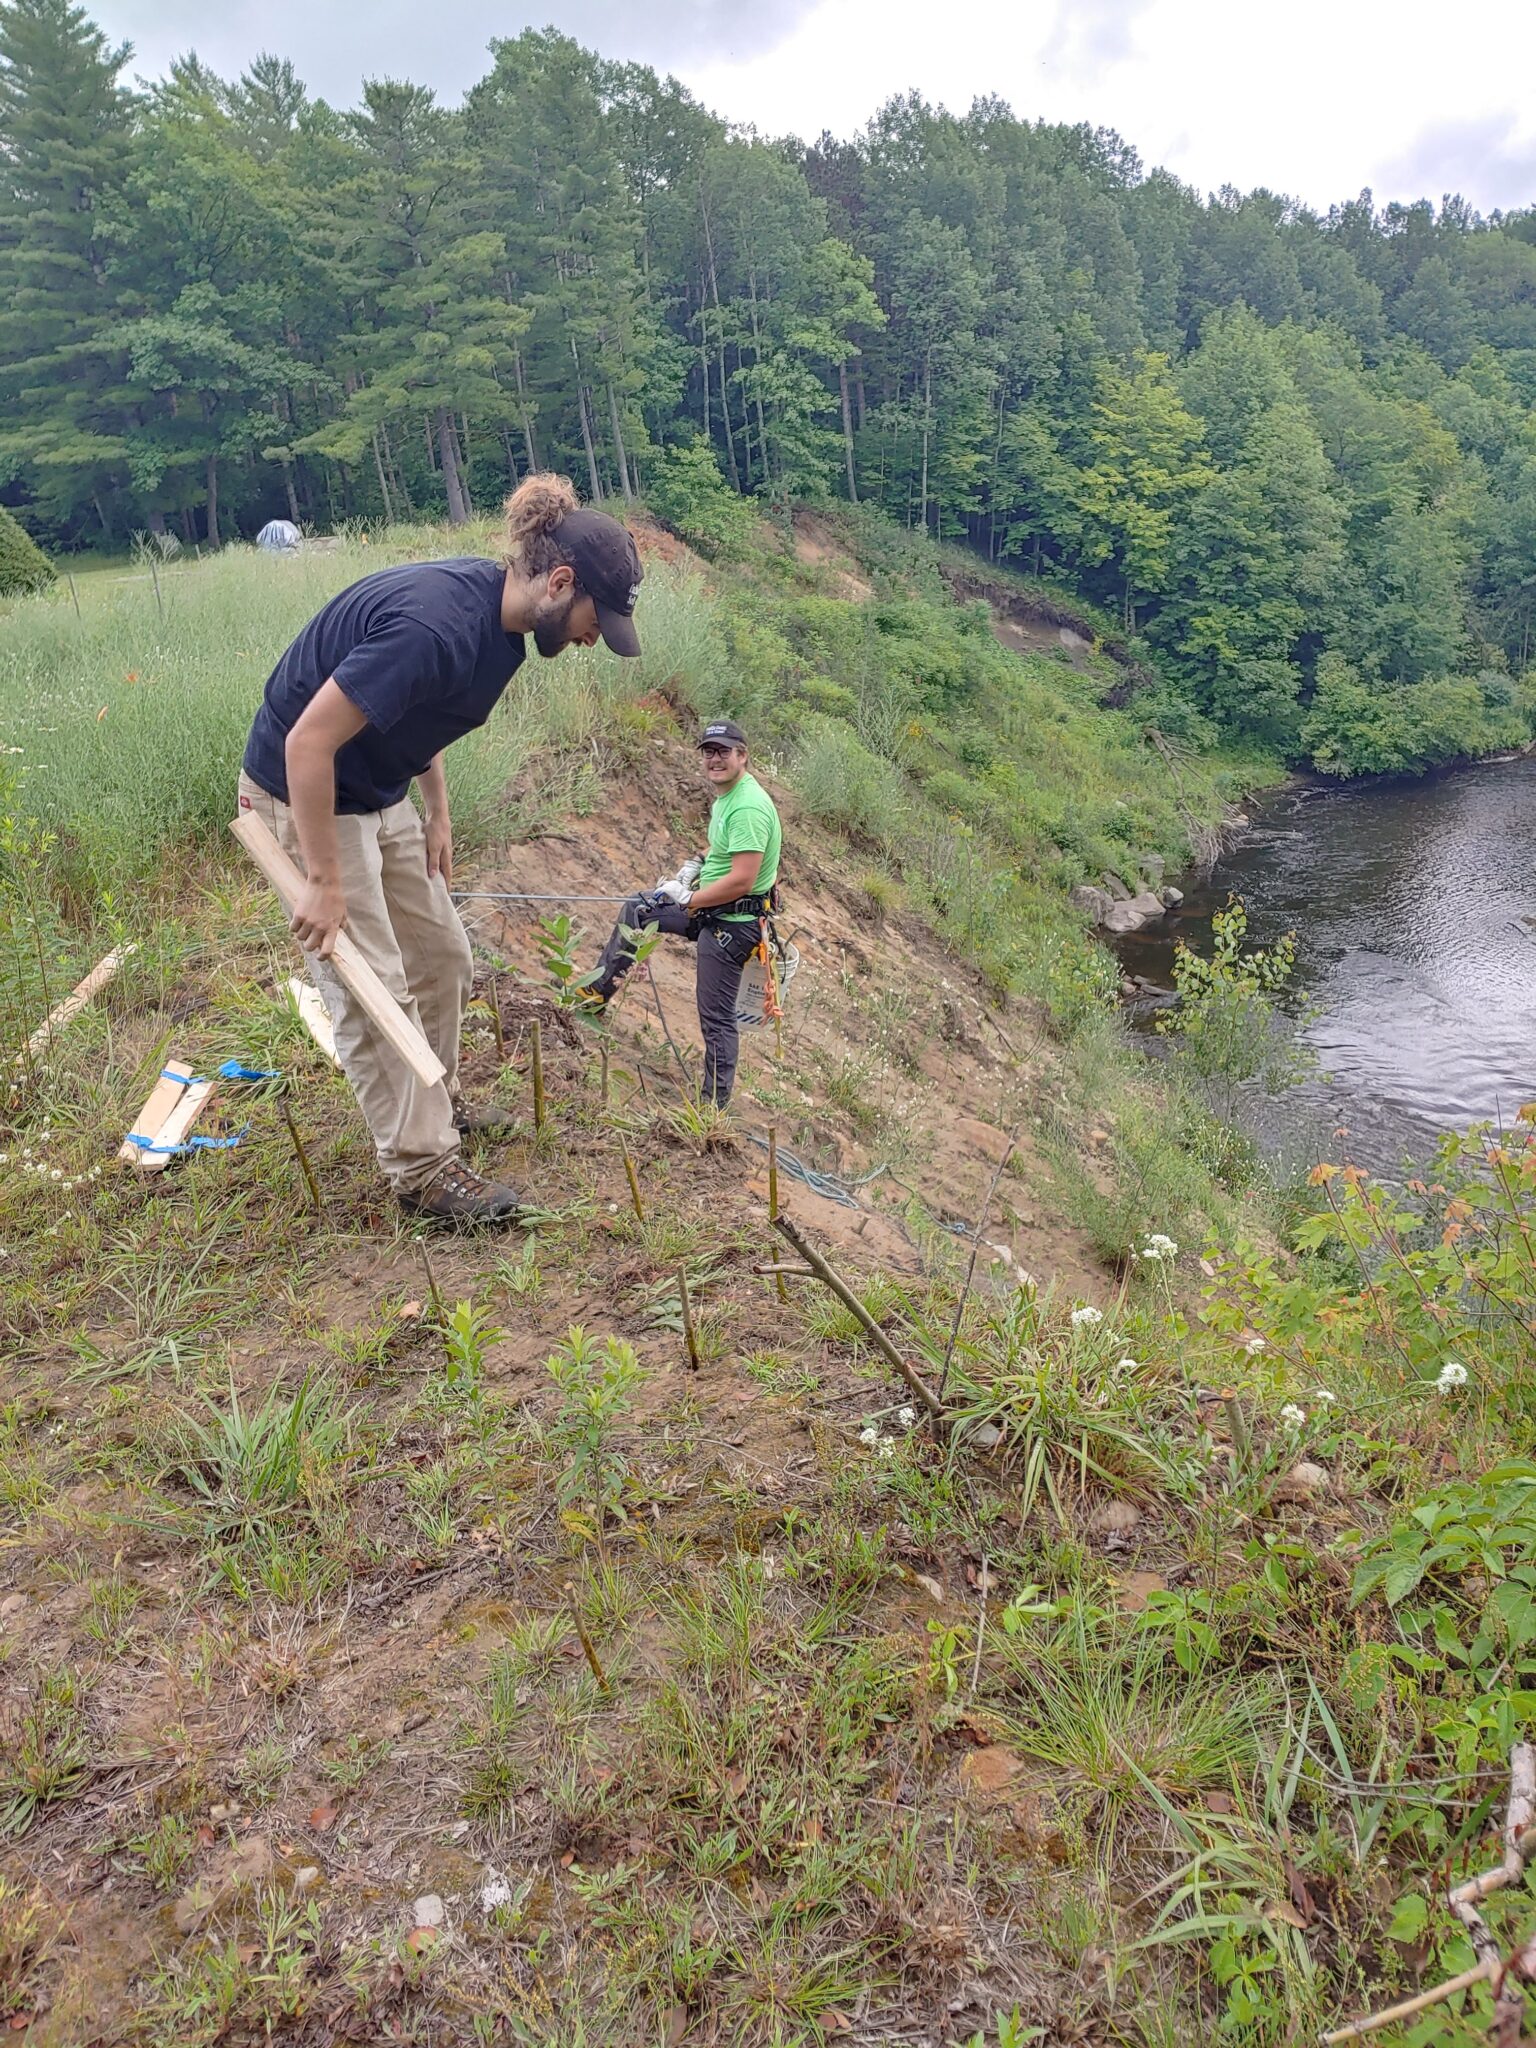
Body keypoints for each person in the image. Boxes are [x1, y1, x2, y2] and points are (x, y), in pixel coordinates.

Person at [237, 474, 644, 1223]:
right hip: (309, 792)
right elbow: (307, 742)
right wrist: (323, 877)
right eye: (597, 619)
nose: (595, 638)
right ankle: (423, 1170)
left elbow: (425, 715)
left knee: (443, 957)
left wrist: (438, 813)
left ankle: (437, 1102)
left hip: (379, 786)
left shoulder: (505, 634)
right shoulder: (434, 624)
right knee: (373, 986)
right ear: (559, 582)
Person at [588, 720, 781, 1107]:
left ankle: (713, 1107)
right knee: (640, 909)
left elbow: (743, 879)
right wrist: (694, 865)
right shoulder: (730, 795)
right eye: (709, 751)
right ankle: (596, 994)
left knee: (716, 1016)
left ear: (743, 755)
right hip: (711, 908)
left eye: (724, 751)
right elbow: (724, 850)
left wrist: (687, 900)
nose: (715, 759)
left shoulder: (748, 807)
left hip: (733, 924)